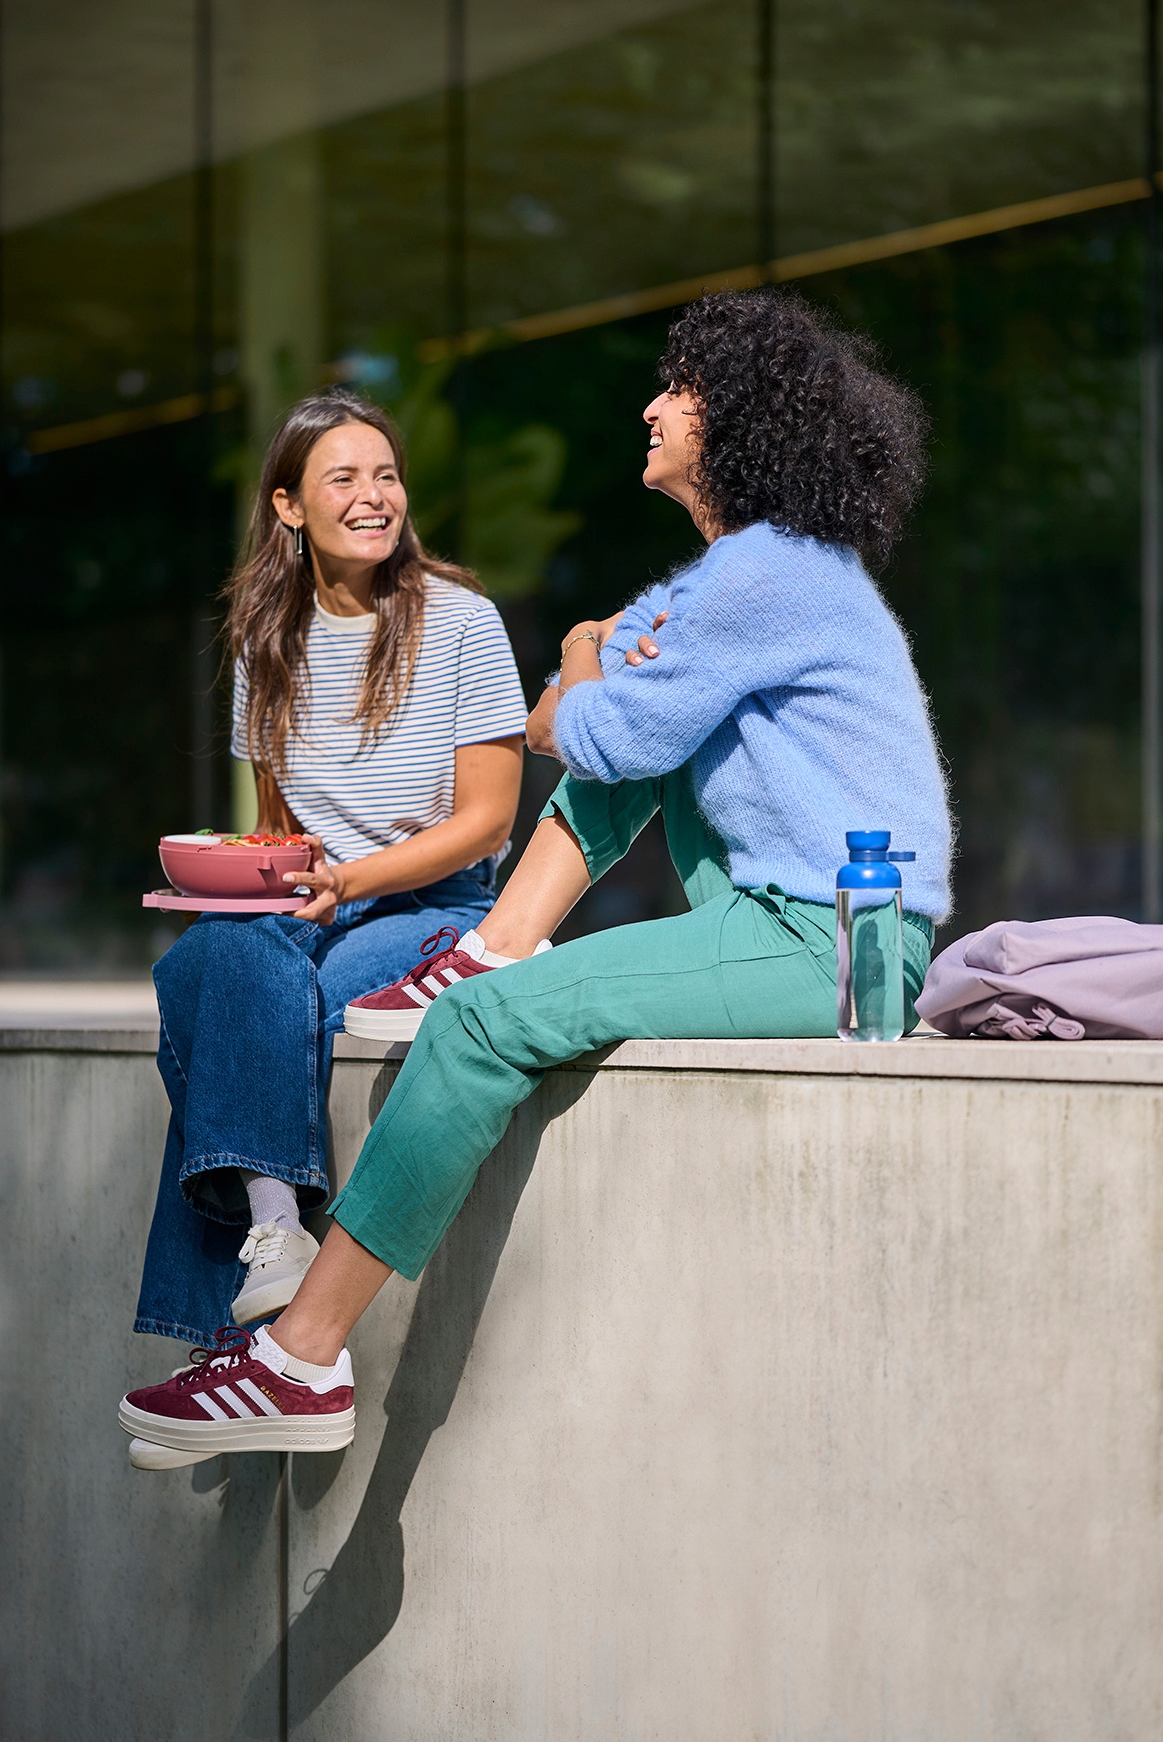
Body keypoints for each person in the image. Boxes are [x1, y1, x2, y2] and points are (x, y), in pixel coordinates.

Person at [120, 290, 952, 1466]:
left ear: (735, 419)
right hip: (777, 921)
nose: (651, 406)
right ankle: (498, 942)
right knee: (239, 963)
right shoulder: (738, 576)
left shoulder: (764, 576)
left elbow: (582, 726)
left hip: (831, 941)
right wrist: (593, 672)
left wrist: (577, 656)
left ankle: (299, 1358)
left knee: (477, 1021)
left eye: (679, 390)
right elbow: (590, 717)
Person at [131, 389, 528, 1378]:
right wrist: (253, 878)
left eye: (386, 475)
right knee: (215, 959)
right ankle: (277, 1229)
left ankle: (227, 1342)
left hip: (435, 904)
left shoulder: (462, 622)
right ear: (288, 505)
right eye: (343, 478)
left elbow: (486, 820)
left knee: (255, 998)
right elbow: (278, 830)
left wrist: (349, 879)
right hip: (310, 900)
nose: (372, 495)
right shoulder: (264, 637)